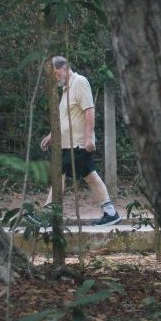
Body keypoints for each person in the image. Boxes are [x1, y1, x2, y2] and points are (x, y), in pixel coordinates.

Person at [40, 56, 121, 227]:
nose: (55, 78)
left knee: (59, 174)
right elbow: (65, 120)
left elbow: (89, 110)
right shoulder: (66, 90)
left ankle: (47, 215)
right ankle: (110, 213)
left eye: (55, 73)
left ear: (65, 68)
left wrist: (89, 137)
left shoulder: (80, 82)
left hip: (79, 144)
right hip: (67, 144)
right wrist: (51, 136)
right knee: (91, 176)